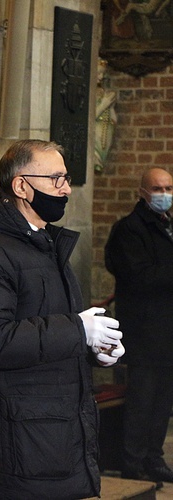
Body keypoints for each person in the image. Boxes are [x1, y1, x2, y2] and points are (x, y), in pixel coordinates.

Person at [0, 139, 125, 499]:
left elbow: (48, 324)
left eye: (65, 179)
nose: (65, 189)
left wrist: (95, 347)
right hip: (19, 439)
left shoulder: (41, 243)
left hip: (50, 431)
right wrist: (78, 330)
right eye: (56, 179)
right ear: (21, 186)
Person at [105, 167, 173, 483]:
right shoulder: (129, 230)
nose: (163, 194)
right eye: (157, 189)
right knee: (142, 399)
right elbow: (139, 276)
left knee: (163, 401)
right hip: (145, 329)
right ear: (143, 192)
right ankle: (132, 462)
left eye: (168, 188)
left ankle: (154, 457)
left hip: (167, 329)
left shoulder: (167, 226)